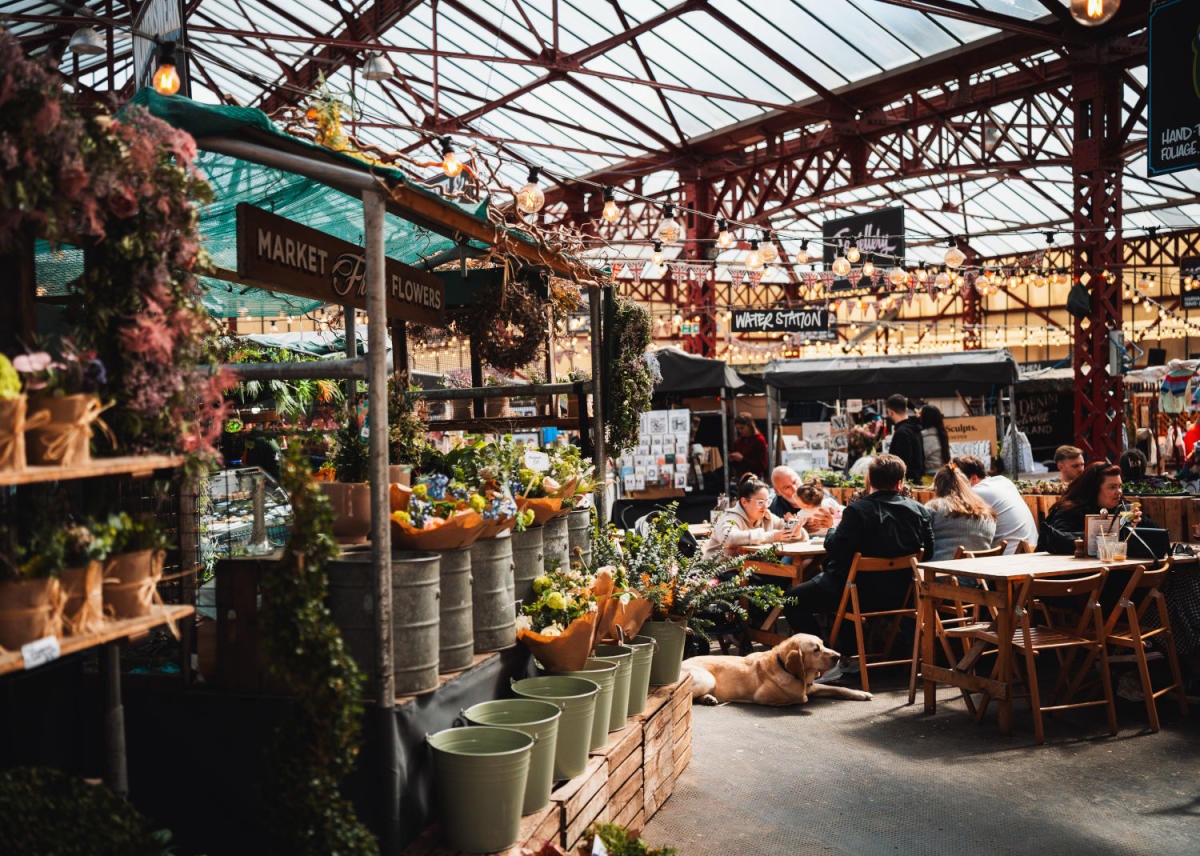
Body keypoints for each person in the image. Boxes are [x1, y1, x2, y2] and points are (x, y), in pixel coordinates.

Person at [782, 454, 934, 640]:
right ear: (899, 483)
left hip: (855, 594)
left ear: (869, 480)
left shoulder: (858, 511)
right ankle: (844, 651)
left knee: (791, 599)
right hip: (902, 595)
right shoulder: (920, 511)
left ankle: (820, 654)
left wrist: (831, 529)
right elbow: (928, 553)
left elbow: (836, 550)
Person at [1039, 462, 1149, 556]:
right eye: (1112, 487)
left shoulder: (1122, 508)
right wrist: (1108, 534)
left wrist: (1138, 523)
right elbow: (1058, 541)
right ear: (1094, 490)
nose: (1119, 492)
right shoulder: (1070, 511)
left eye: (1119, 486)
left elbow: (1158, 537)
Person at [703, 474, 807, 559]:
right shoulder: (730, 517)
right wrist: (771, 536)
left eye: (767, 502)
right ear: (744, 501)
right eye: (760, 502)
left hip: (755, 570)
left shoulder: (767, 516)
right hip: (723, 573)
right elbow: (729, 538)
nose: (765, 506)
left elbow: (801, 535)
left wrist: (796, 533)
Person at [951, 455, 1039, 554]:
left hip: (1012, 557)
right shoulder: (1004, 481)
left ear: (974, 478)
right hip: (1032, 549)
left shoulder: (976, 492)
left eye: (958, 481)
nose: (956, 486)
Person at [925, 464, 997, 561]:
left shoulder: (934, 508)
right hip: (979, 572)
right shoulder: (988, 513)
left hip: (941, 572)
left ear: (938, 487)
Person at [769, 466, 839, 533]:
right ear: (778, 491)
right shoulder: (774, 509)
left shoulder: (819, 492)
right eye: (787, 487)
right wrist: (801, 530)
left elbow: (843, 518)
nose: (795, 489)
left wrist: (833, 523)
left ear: (799, 477)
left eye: (795, 482)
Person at [884, 394, 924, 479]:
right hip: (917, 480)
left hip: (905, 483)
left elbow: (900, 464)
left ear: (890, 412)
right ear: (906, 409)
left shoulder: (901, 433)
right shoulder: (916, 428)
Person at [728, 413, 768, 481]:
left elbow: (762, 466)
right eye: (738, 428)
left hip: (755, 479)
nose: (740, 431)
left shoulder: (759, 440)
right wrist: (732, 460)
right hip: (741, 478)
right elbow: (737, 466)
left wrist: (742, 459)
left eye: (742, 428)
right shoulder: (738, 441)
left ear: (750, 426)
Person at [920, 405, 950, 476]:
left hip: (930, 475)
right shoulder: (941, 434)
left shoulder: (926, 436)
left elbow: (921, 458)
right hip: (942, 472)